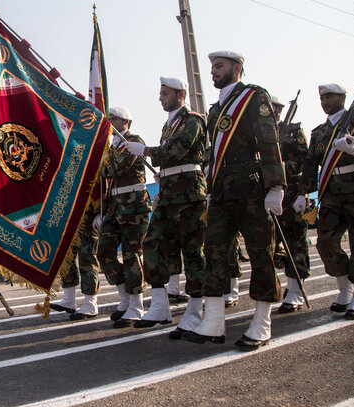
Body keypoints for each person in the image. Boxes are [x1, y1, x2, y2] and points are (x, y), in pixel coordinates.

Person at [183, 51, 286, 350]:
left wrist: (276, 186)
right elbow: (213, 152)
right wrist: (211, 182)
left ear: (236, 68)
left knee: (260, 253)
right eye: (212, 67)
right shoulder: (215, 110)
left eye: (219, 66)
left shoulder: (253, 97)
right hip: (221, 192)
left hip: (251, 187)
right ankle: (213, 322)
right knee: (215, 253)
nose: (213, 72)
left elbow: (269, 140)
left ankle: (262, 322)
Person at [121, 77, 207, 331]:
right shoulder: (168, 125)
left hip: (189, 195)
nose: (160, 97)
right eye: (160, 93)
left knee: (192, 250)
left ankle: (195, 309)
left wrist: (145, 151)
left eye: (166, 93)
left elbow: (175, 152)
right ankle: (159, 306)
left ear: (181, 95)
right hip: (169, 195)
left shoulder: (193, 120)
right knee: (153, 244)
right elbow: (169, 157)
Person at [295, 83, 354, 320]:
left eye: (330, 97)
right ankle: (345, 289)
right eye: (322, 98)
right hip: (332, 193)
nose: (324, 102)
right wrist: (303, 194)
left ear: (343, 98)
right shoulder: (320, 132)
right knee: (326, 242)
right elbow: (311, 164)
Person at [95, 106, 151, 328]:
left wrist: (95, 161)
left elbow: (113, 170)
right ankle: (125, 298)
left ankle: (136, 306)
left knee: (131, 254)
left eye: (114, 119)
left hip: (134, 206)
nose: (109, 123)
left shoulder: (132, 142)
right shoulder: (113, 146)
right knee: (104, 251)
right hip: (116, 207)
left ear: (125, 123)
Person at [270, 95, 311, 313]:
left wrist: (282, 167)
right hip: (266, 195)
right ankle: (278, 287)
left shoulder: (294, 132)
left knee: (295, 242)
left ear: (279, 109)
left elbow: (306, 160)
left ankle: (295, 290)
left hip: (291, 193)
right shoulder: (258, 134)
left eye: (273, 107)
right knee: (270, 245)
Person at [49, 203, 101, 320]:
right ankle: (69, 300)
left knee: (87, 259)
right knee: (65, 258)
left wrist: (99, 213)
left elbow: (100, 189)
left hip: (88, 213)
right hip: (70, 213)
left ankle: (90, 304)